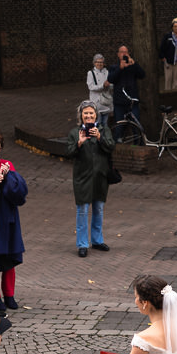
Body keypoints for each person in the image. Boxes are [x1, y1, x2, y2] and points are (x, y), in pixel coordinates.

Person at [63, 101, 115, 258]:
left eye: (91, 113)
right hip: (82, 178)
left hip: (100, 177)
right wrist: (79, 143)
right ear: (81, 116)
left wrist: (100, 138)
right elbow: (69, 152)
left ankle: (97, 240)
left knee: (98, 209)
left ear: (96, 115)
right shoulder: (74, 133)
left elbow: (111, 147)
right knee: (82, 210)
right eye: (85, 113)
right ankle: (82, 244)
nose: (88, 116)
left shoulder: (104, 130)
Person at [0, 133, 27, 311]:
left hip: (8, 218)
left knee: (9, 256)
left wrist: (8, 177)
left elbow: (18, 193)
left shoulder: (7, 165)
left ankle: (9, 295)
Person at [106, 45, 145, 137]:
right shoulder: (114, 67)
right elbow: (111, 79)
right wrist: (120, 68)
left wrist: (134, 64)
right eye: (122, 52)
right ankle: (118, 146)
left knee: (136, 126)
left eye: (126, 52)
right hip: (119, 102)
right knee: (119, 127)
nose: (124, 54)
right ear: (118, 54)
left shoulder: (133, 66)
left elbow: (142, 75)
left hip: (132, 102)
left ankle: (137, 146)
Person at [159, 17, 177, 92]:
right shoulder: (167, 36)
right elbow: (162, 47)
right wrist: (163, 57)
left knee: (176, 80)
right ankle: (167, 94)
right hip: (168, 61)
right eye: (175, 26)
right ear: (172, 28)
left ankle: (175, 95)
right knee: (168, 79)